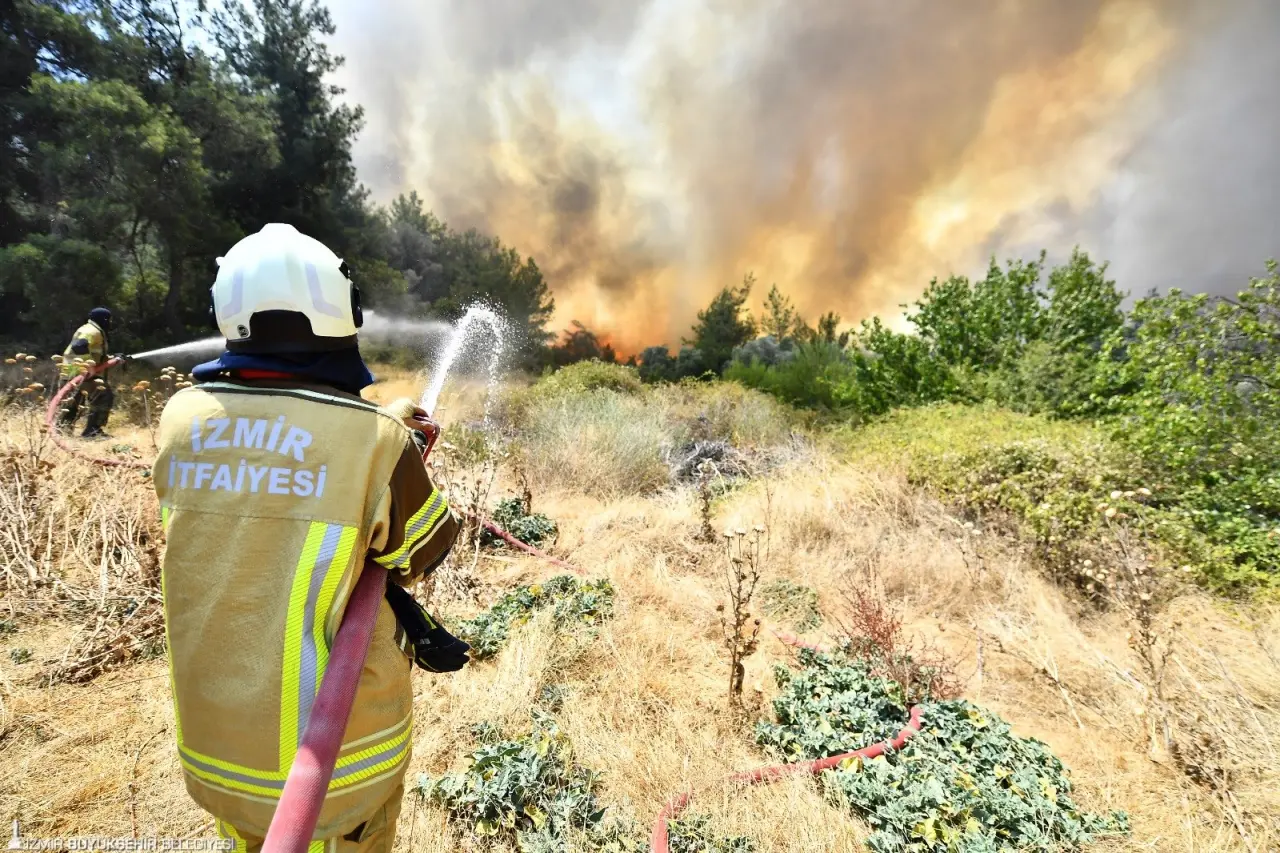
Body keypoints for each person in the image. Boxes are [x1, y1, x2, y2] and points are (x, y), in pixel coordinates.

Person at [152, 223, 467, 853]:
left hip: (216, 753)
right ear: (339, 313)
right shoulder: (373, 441)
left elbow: (275, 468)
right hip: (333, 763)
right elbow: (421, 550)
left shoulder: (180, 419)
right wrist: (400, 451)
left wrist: (386, 432)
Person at [58, 307, 115, 438]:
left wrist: (109, 359)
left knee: (72, 404)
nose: (111, 323)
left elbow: (92, 351)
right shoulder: (93, 331)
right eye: (110, 320)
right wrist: (90, 367)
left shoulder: (89, 328)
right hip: (80, 373)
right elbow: (79, 346)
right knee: (103, 396)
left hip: (72, 372)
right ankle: (92, 432)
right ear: (104, 319)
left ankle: (61, 432)